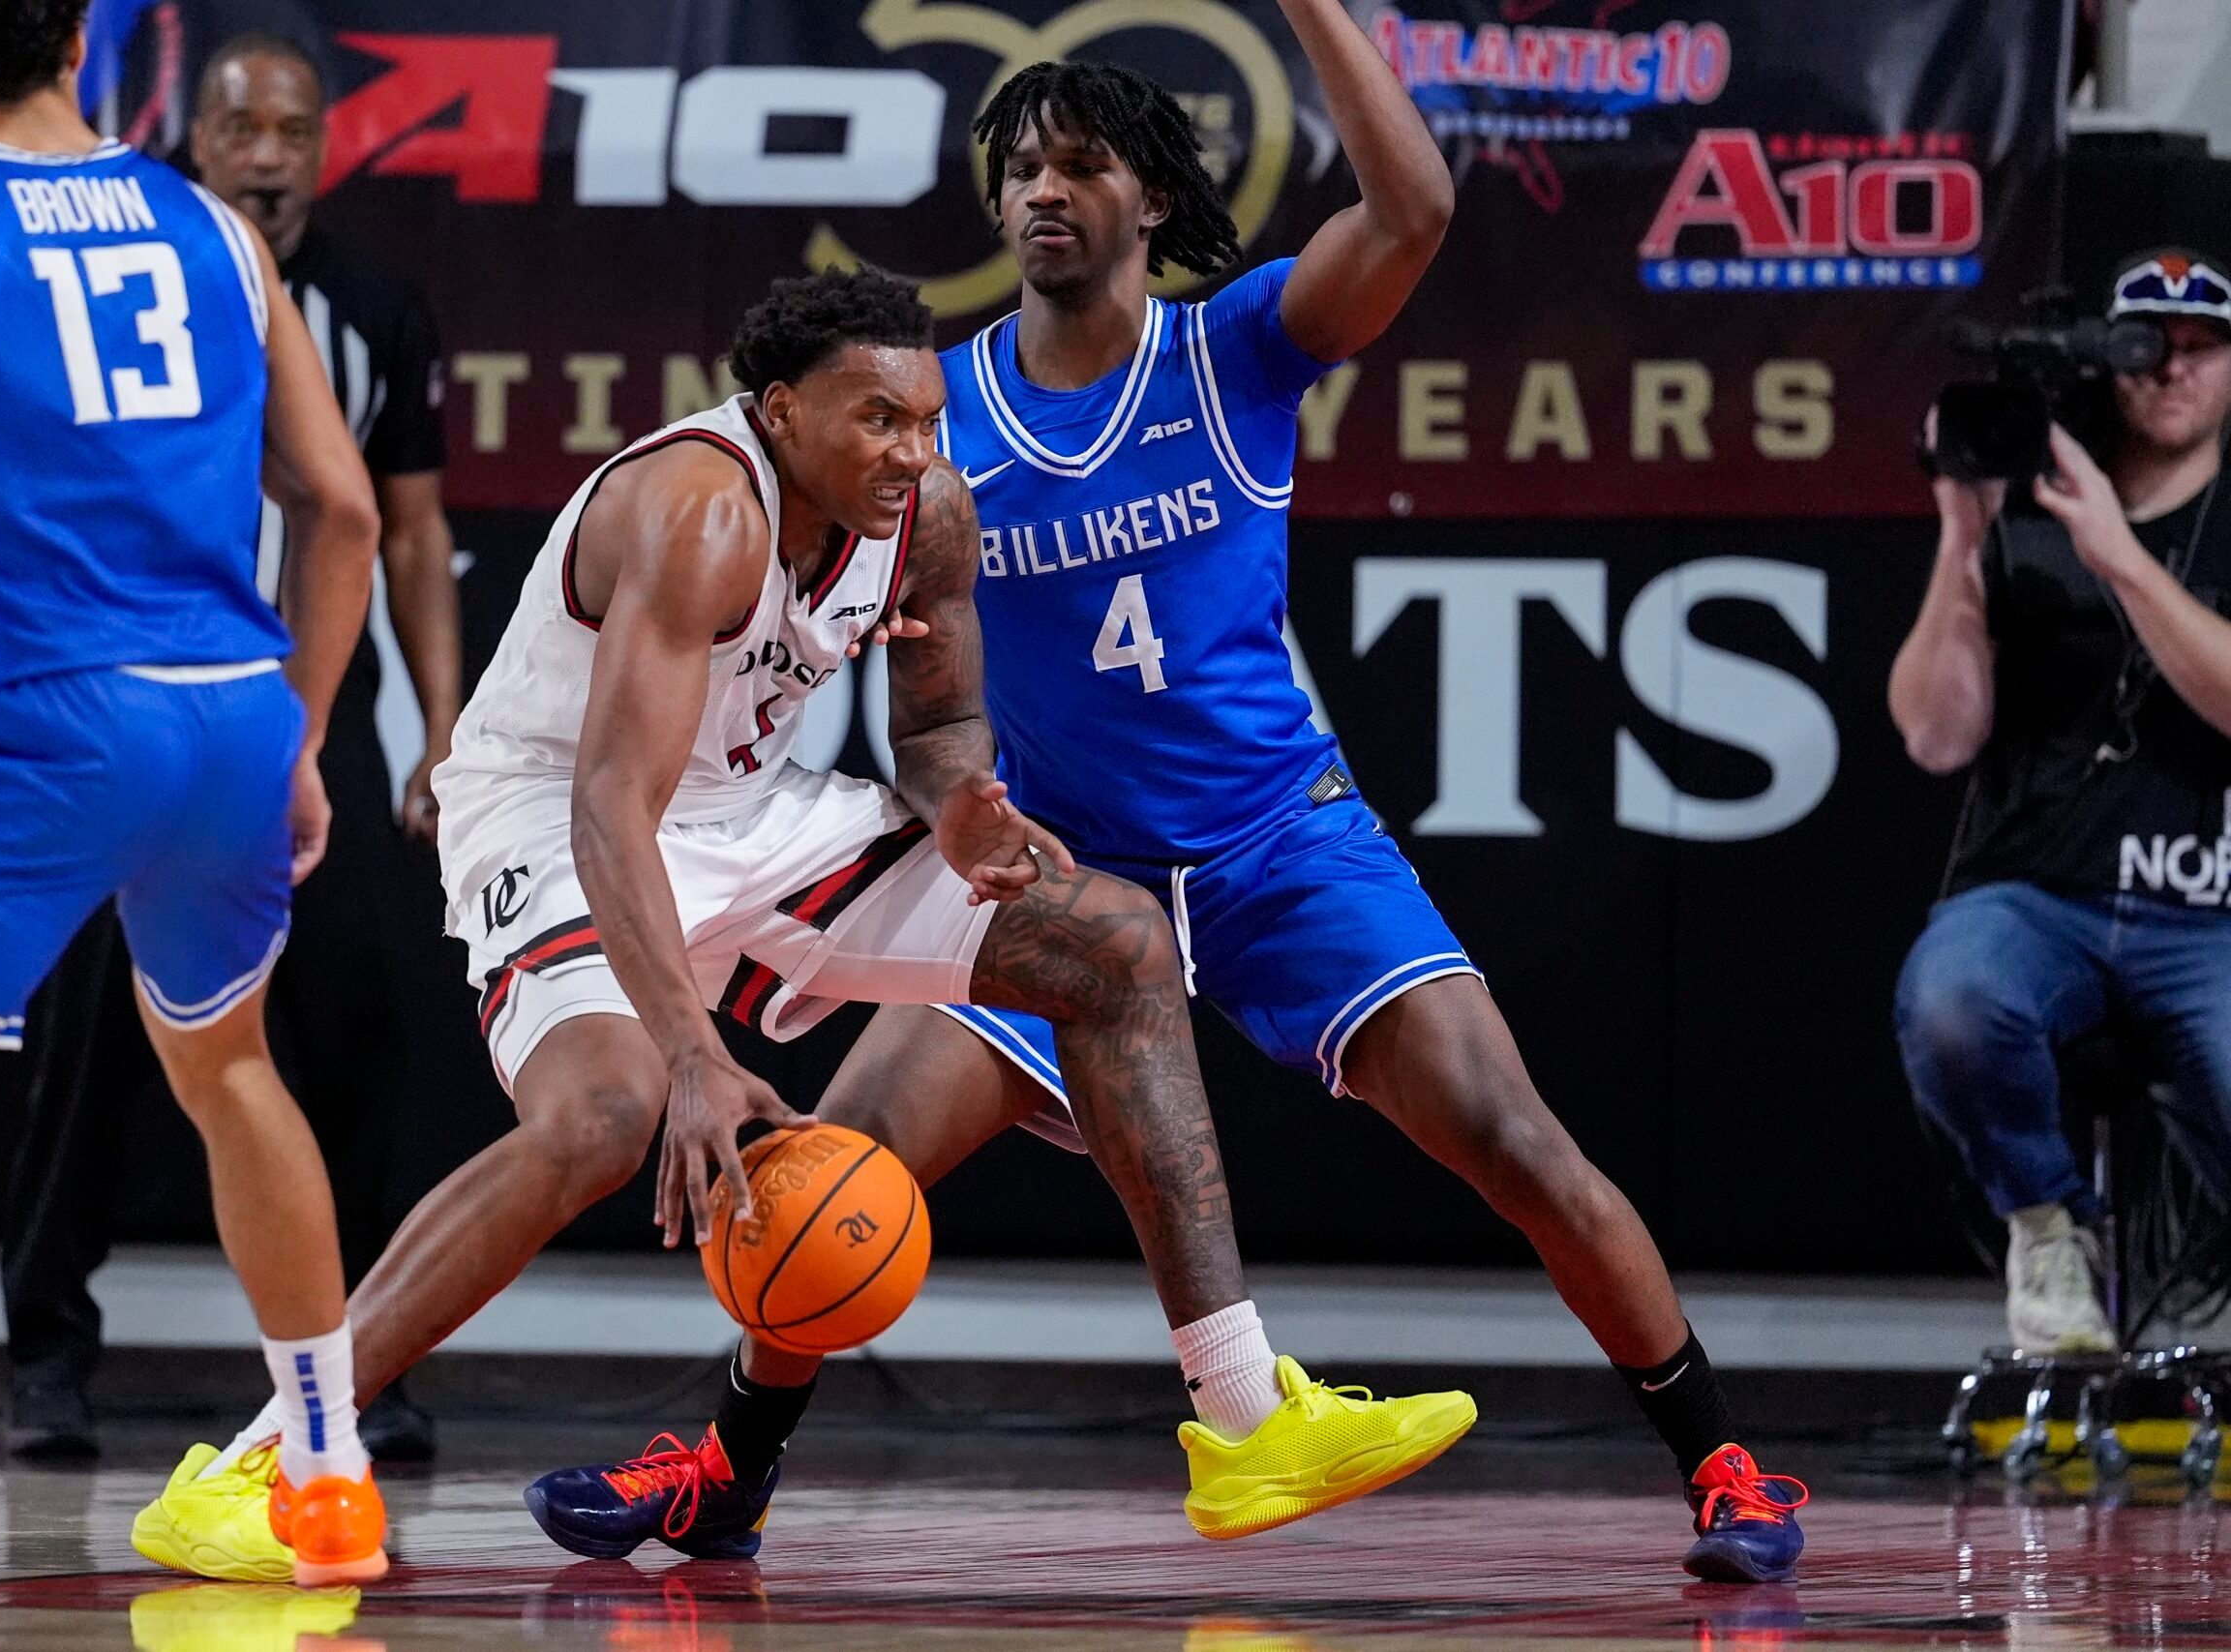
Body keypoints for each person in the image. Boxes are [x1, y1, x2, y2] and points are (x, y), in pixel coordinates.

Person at [556, 12, 1810, 1587]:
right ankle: (726, 1476)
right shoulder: (931, 426)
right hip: (1067, 866)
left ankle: (1725, 1460)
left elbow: (1415, 207)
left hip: (1276, 839)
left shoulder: (1236, 349)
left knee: (1517, 1137)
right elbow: (911, 697)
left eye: (1079, 163)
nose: (1041, 190)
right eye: (1018, 167)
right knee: (839, 1163)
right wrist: (935, 797)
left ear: (1153, 198)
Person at [132, 267, 1475, 1582]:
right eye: (875, 419)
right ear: (779, 411)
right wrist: (692, 1051)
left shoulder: (929, 509)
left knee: (1115, 943)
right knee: (603, 1116)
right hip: (555, 811)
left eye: (926, 417)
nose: (911, 448)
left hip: (748, 804)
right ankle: (262, 1459)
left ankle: (1242, 1414)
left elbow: (939, 725)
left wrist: (961, 812)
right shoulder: (702, 510)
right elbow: (614, 805)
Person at [0, 0, 389, 1622]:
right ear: (87, 49)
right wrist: (303, 735)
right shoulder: (213, 226)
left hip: (56, 722)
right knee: (229, 1069)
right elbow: (340, 507)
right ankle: (326, 1480)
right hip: (235, 719)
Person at [0, 28, 468, 1463]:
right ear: (190, 135)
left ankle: (364, 1360)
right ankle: (46, 1359)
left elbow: (399, 524)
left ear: (324, 147)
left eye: (291, 131)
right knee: (86, 1044)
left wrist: (440, 728)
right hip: (131, 712)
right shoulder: (121, 271)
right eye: (239, 127)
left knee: (355, 1037)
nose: (267, 154)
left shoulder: (373, 303)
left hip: (296, 720)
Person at [1893, 248, 2231, 1356]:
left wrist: (2120, 558)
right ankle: (2047, 1229)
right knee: (1951, 992)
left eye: (2200, 349)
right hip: (2039, 894)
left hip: (2209, 909)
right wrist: (1960, 535)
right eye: (2146, 349)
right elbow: (1935, 735)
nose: (2171, 372)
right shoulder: (2028, 509)